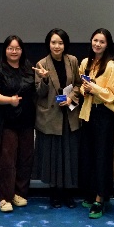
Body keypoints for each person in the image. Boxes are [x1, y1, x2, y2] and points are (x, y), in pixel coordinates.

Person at [31, 28, 81, 209]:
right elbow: (39, 92)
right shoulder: (42, 63)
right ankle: (54, 193)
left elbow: (78, 84)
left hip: (69, 114)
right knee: (53, 156)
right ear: (48, 44)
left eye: (60, 43)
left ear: (65, 44)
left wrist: (71, 98)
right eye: (53, 42)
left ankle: (68, 193)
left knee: (69, 154)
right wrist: (44, 79)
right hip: (50, 116)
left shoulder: (72, 60)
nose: (57, 46)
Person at [0, 35, 36, 212]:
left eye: (17, 48)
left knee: (25, 158)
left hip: (26, 120)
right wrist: (9, 100)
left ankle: (19, 193)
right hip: (5, 121)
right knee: (6, 160)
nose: (14, 51)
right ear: (5, 50)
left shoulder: (29, 67)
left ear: (22, 50)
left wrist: (43, 78)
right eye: (10, 48)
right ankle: (5, 197)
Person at [75, 27, 114, 219]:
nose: (98, 44)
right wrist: (84, 90)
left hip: (103, 114)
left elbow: (113, 94)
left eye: (102, 41)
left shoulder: (111, 66)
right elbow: (80, 85)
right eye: (95, 40)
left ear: (107, 44)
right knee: (88, 155)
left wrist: (94, 89)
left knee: (102, 157)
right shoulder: (85, 62)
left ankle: (100, 198)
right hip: (87, 112)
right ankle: (91, 192)